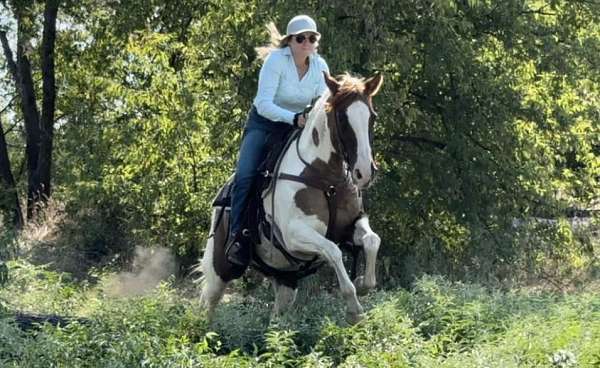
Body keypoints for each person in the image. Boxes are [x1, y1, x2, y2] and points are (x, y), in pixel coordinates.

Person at [225, 15, 330, 268]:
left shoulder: (320, 66)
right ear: (289, 42)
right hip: (264, 124)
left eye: (312, 38)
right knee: (246, 175)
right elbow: (263, 104)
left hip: (298, 127)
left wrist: (308, 120)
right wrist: (294, 119)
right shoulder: (276, 61)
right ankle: (237, 237)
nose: (307, 42)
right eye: (301, 38)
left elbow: (324, 101)